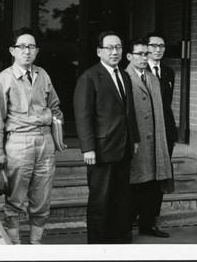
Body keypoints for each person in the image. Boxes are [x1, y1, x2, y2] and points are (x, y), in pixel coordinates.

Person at [0, 27, 64, 244]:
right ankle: (15, 245)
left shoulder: (43, 75)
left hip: (44, 142)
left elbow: (55, 107)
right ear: (12, 50)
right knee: (15, 199)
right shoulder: (2, 80)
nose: (27, 51)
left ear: (37, 50)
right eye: (22, 47)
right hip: (18, 143)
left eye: (31, 47)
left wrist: (56, 135)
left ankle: (35, 244)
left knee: (42, 197)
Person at [73, 31, 140, 244]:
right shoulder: (89, 77)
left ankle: (119, 242)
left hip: (124, 148)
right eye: (109, 48)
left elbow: (130, 111)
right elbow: (83, 115)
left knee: (121, 201)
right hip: (102, 149)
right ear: (99, 51)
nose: (114, 52)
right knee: (100, 202)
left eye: (118, 47)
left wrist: (135, 139)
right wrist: (88, 148)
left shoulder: (125, 75)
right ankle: (98, 246)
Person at [125, 38, 172, 238]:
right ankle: (125, 228)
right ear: (129, 56)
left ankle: (148, 224)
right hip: (137, 142)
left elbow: (160, 112)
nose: (144, 57)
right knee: (134, 186)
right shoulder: (124, 77)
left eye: (146, 54)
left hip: (155, 142)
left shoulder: (153, 78)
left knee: (152, 186)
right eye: (140, 54)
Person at [145, 31, 178, 215]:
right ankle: (139, 215)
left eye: (161, 46)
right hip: (147, 133)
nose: (158, 50)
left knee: (162, 175)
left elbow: (166, 104)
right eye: (153, 46)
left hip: (166, 130)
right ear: (146, 48)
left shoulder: (168, 72)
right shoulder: (139, 71)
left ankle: (153, 216)